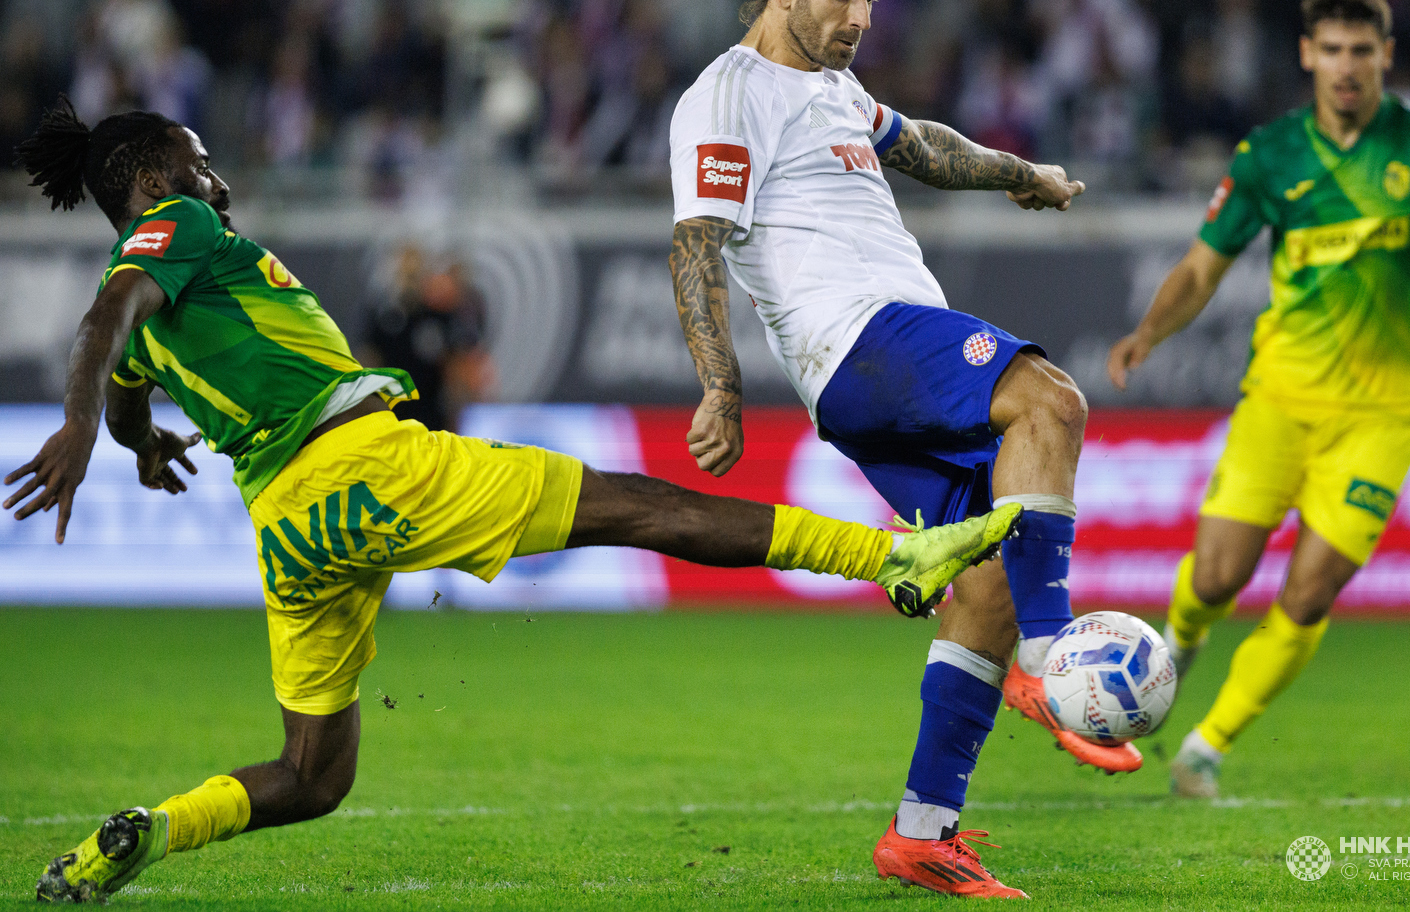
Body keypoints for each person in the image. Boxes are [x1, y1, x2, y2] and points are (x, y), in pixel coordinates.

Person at [7, 99, 1022, 903]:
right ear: (153, 178)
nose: (216, 182)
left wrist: (136, 446)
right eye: (198, 161)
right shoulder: (169, 229)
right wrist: (79, 427)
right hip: (363, 467)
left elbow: (128, 376)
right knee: (635, 507)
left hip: (288, 528)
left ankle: (153, 828)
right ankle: (892, 558)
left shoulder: (163, 294)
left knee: (313, 774)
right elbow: (110, 314)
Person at [667, 0, 1104, 900]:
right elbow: (697, 239)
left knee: (987, 574)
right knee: (1050, 400)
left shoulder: (831, 87)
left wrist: (1019, 175)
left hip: (878, 362)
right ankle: (1054, 657)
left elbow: (921, 145)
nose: (861, 14)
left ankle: (921, 830)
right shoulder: (729, 95)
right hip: (859, 338)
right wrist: (720, 387)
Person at [1106, 0, 1410, 798]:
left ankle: (1207, 748)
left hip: (1382, 419)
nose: (1347, 67)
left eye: (1362, 51)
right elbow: (1201, 268)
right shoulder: (1269, 157)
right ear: (1307, 57)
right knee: (1215, 578)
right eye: (1332, 50)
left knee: (1311, 588)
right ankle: (1179, 642)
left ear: (1386, 55)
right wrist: (1150, 333)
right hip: (1279, 401)